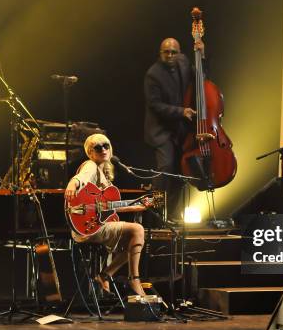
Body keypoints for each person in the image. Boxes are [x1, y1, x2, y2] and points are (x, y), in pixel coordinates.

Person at [65, 134, 149, 297]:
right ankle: (134, 280)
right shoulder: (90, 165)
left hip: (93, 224)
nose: (103, 149)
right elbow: (82, 177)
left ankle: (104, 275)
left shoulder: (103, 174)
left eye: (106, 146)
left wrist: (137, 206)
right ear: (90, 152)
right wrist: (73, 183)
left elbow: (107, 208)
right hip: (89, 228)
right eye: (98, 147)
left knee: (132, 242)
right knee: (138, 230)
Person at [143, 37, 203, 220]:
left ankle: (174, 215)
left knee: (181, 171)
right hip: (161, 131)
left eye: (173, 52)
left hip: (180, 130)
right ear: (160, 53)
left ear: (180, 53)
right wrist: (180, 111)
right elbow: (154, 105)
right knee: (166, 167)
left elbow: (202, 77)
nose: (170, 55)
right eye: (166, 52)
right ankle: (155, 213)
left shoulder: (184, 63)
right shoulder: (153, 74)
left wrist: (202, 55)